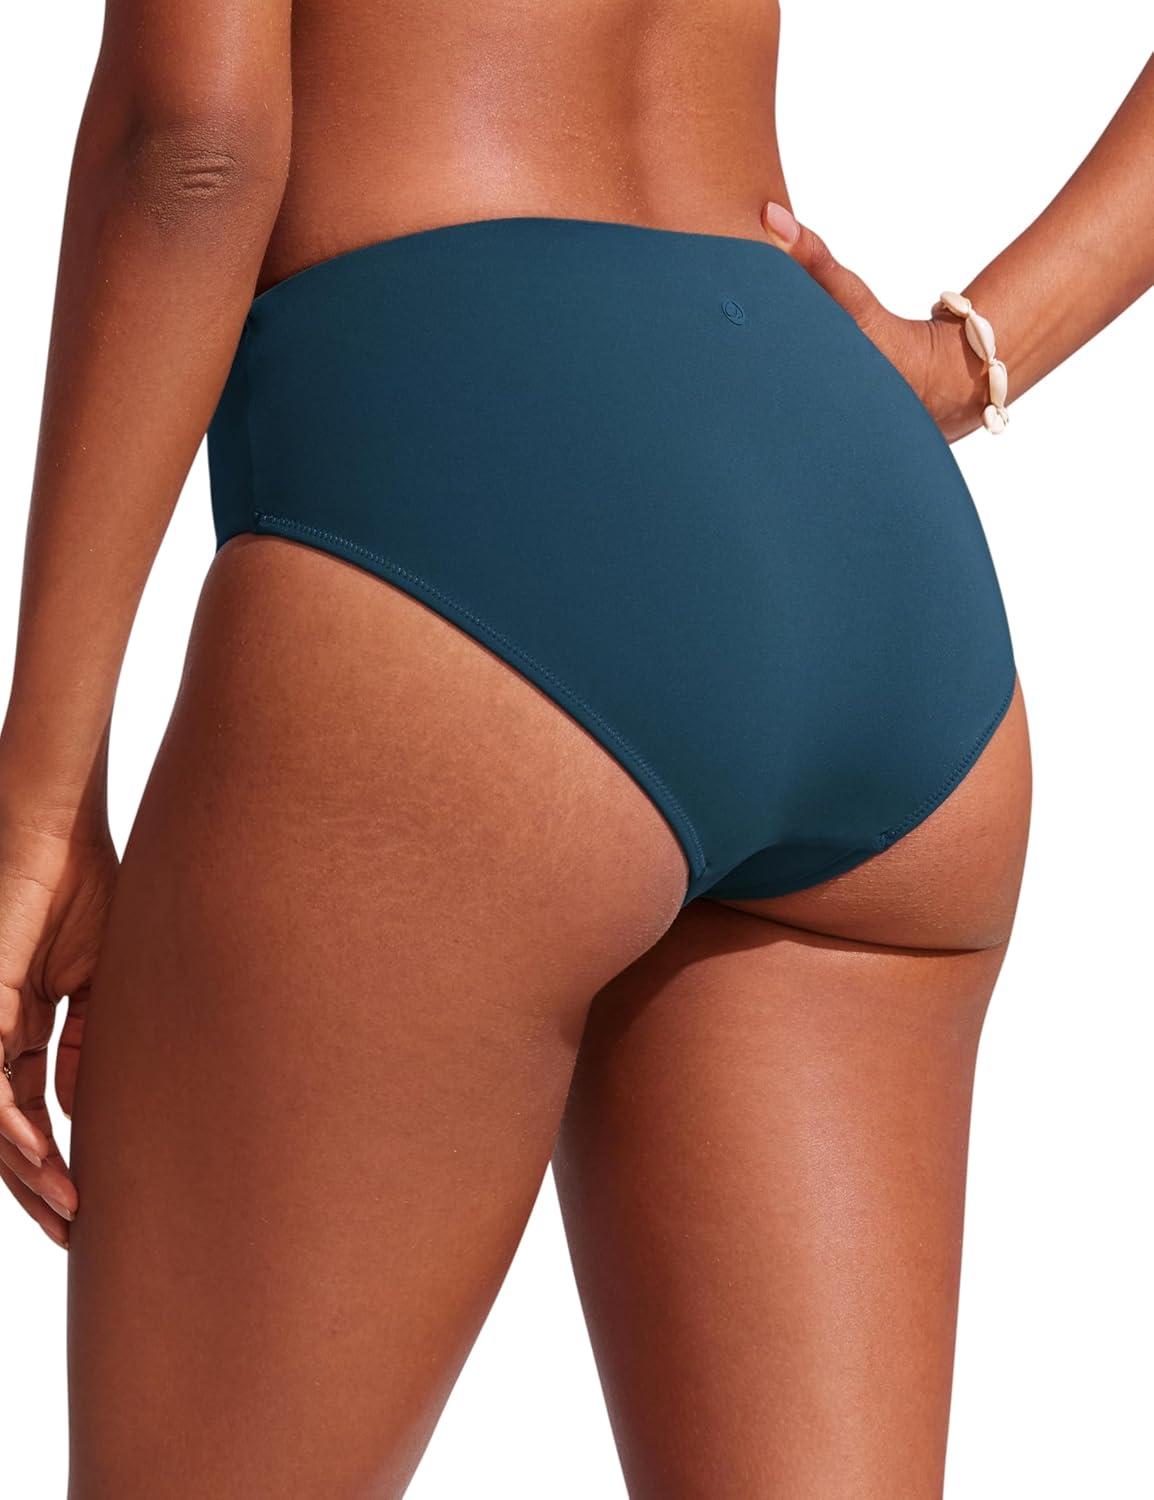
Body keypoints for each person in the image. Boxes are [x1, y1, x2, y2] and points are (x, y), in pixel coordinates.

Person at [0, 0, 1149, 1490]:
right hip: (858, 528)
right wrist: (971, 356)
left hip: (465, 499)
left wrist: (42, 809)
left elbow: (196, 141)